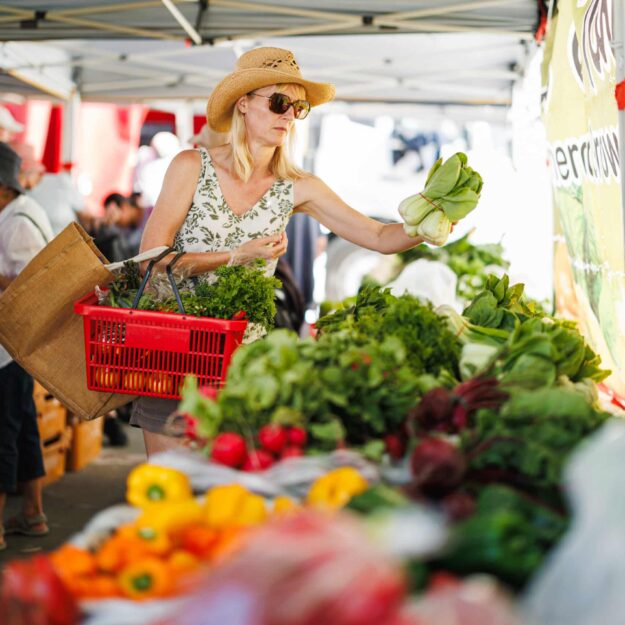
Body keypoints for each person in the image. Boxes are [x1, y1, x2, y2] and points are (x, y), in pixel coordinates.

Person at [133, 47, 430, 457]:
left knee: (230, 496)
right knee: (169, 489)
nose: (289, 116)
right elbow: (149, 259)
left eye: (298, 108)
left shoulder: (298, 186)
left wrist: (430, 222)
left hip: (245, 363)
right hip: (173, 350)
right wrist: (236, 255)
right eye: (279, 103)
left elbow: (379, 237)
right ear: (243, 104)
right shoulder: (190, 166)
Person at [0, 142, 53, 550]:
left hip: (10, 346)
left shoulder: (17, 221)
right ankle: (32, 513)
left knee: (4, 430)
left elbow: (32, 284)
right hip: (17, 346)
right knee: (21, 427)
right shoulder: (18, 213)